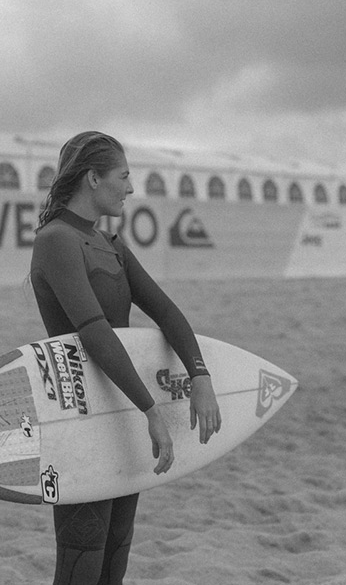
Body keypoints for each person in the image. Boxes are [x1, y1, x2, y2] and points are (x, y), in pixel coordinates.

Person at [30, 131, 222, 585]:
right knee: (82, 559)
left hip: (123, 413)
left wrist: (201, 375)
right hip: (80, 413)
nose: (131, 187)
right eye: (124, 175)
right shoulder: (56, 241)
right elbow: (93, 331)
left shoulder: (112, 245)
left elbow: (167, 312)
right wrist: (150, 408)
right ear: (94, 179)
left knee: (116, 553)